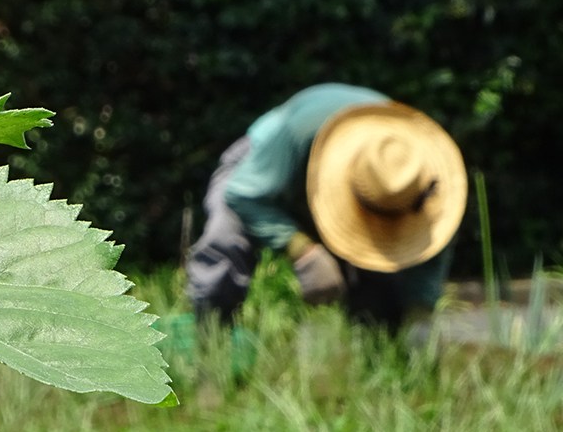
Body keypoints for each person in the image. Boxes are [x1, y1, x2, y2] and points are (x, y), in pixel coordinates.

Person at [186, 83, 467, 335]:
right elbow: (244, 195)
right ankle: (210, 340)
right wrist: (302, 249)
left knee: (382, 286)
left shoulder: (414, 176)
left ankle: (377, 355)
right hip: (262, 169)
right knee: (225, 233)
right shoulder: (301, 132)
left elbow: (427, 256)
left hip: (371, 189)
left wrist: (420, 319)